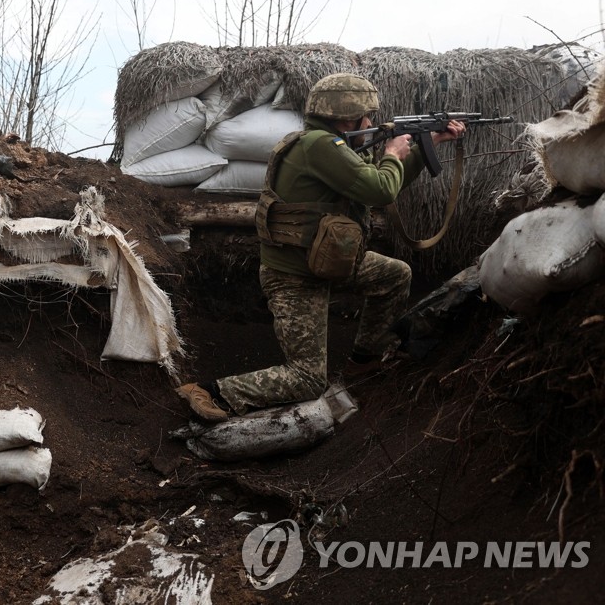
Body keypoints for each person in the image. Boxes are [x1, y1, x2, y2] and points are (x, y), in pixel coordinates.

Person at [176, 73, 466, 421]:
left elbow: (379, 182)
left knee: (394, 275)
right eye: (366, 115)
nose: (371, 122)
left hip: (328, 261)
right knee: (309, 378)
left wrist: (427, 144)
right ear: (347, 116)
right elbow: (380, 190)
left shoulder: (331, 147)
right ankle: (213, 392)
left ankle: (364, 361)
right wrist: (392, 153)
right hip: (295, 277)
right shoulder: (320, 147)